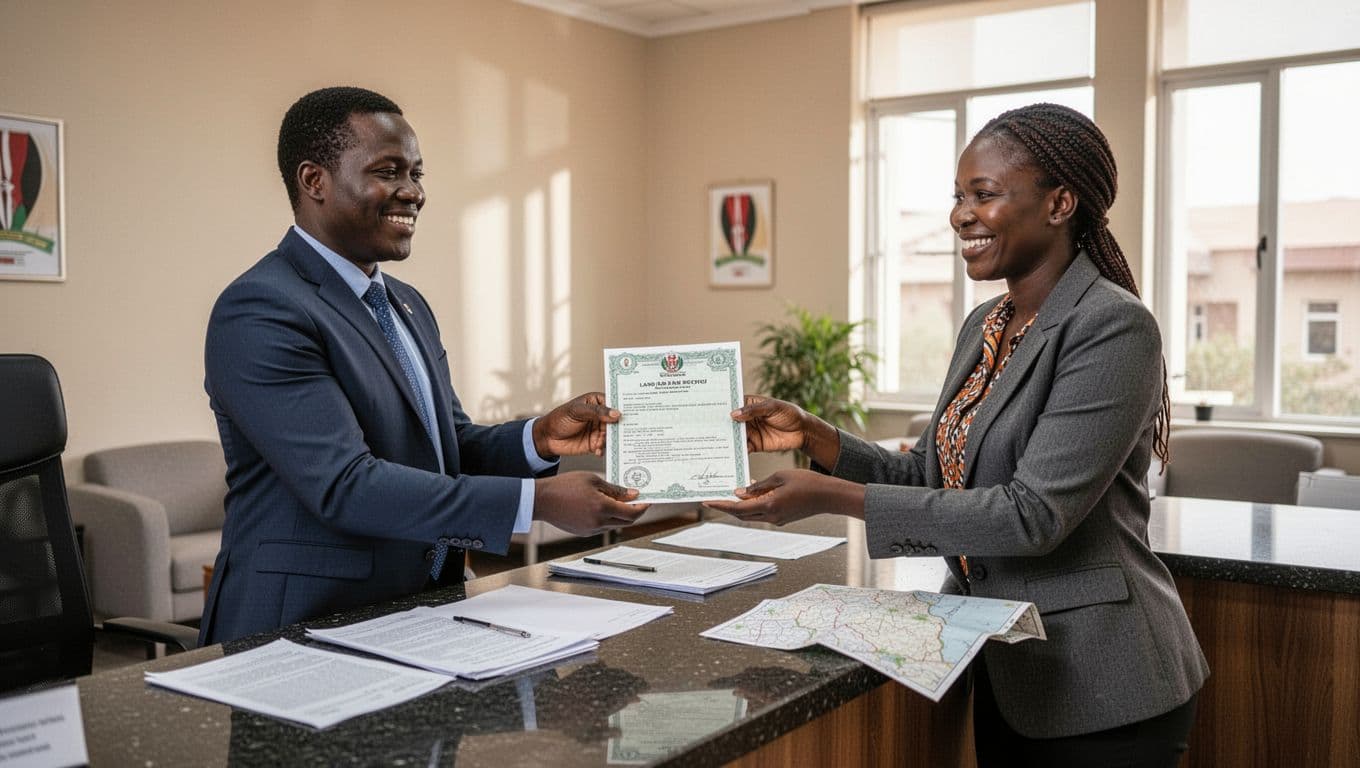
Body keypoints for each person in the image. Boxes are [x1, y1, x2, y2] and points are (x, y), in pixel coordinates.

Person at [707, 103, 1207, 767]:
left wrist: (829, 497)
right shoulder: (985, 326)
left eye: (984, 194)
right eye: (958, 196)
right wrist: (816, 435)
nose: (961, 215)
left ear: (1060, 204)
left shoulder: (1113, 327)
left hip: (1104, 684)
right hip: (1007, 663)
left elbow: (1032, 516)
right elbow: (929, 475)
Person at [201, 86, 646, 645]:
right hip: (301, 626)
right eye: (388, 172)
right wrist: (536, 502)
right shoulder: (261, 309)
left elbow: (446, 447)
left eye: (416, 174)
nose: (413, 192)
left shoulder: (406, 304)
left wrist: (540, 438)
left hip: (421, 609)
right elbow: (344, 485)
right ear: (314, 180)